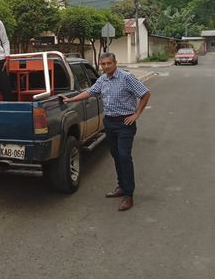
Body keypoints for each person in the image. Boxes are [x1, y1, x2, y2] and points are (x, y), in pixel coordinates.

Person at [63, 52, 151, 211]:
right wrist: (70, 99)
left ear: (115, 63)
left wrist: (136, 114)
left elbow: (145, 94)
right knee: (116, 156)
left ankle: (129, 195)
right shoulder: (102, 79)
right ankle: (121, 186)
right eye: (103, 64)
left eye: (109, 63)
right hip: (109, 123)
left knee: (124, 156)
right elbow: (89, 92)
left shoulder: (126, 77)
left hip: (125, 124)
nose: (106, 66)